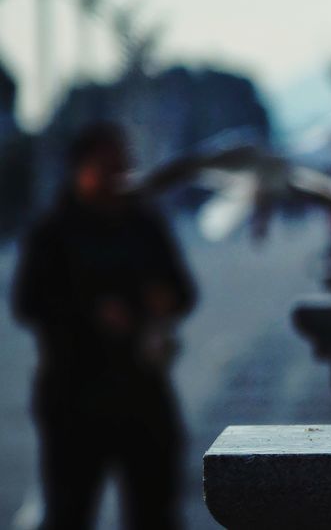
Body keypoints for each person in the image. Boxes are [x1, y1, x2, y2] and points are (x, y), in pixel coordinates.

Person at [12, 123, 196, 530]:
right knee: (69, 512)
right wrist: (92, 313)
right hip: (75, 396)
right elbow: (27, 303)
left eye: (123, 165)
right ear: (81, 168)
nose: (119, 176)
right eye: (108, 166)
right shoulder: (53, 231)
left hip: (144, 394)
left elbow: (184, 291)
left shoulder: (144, 224)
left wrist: (165, 300)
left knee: (156, 513)